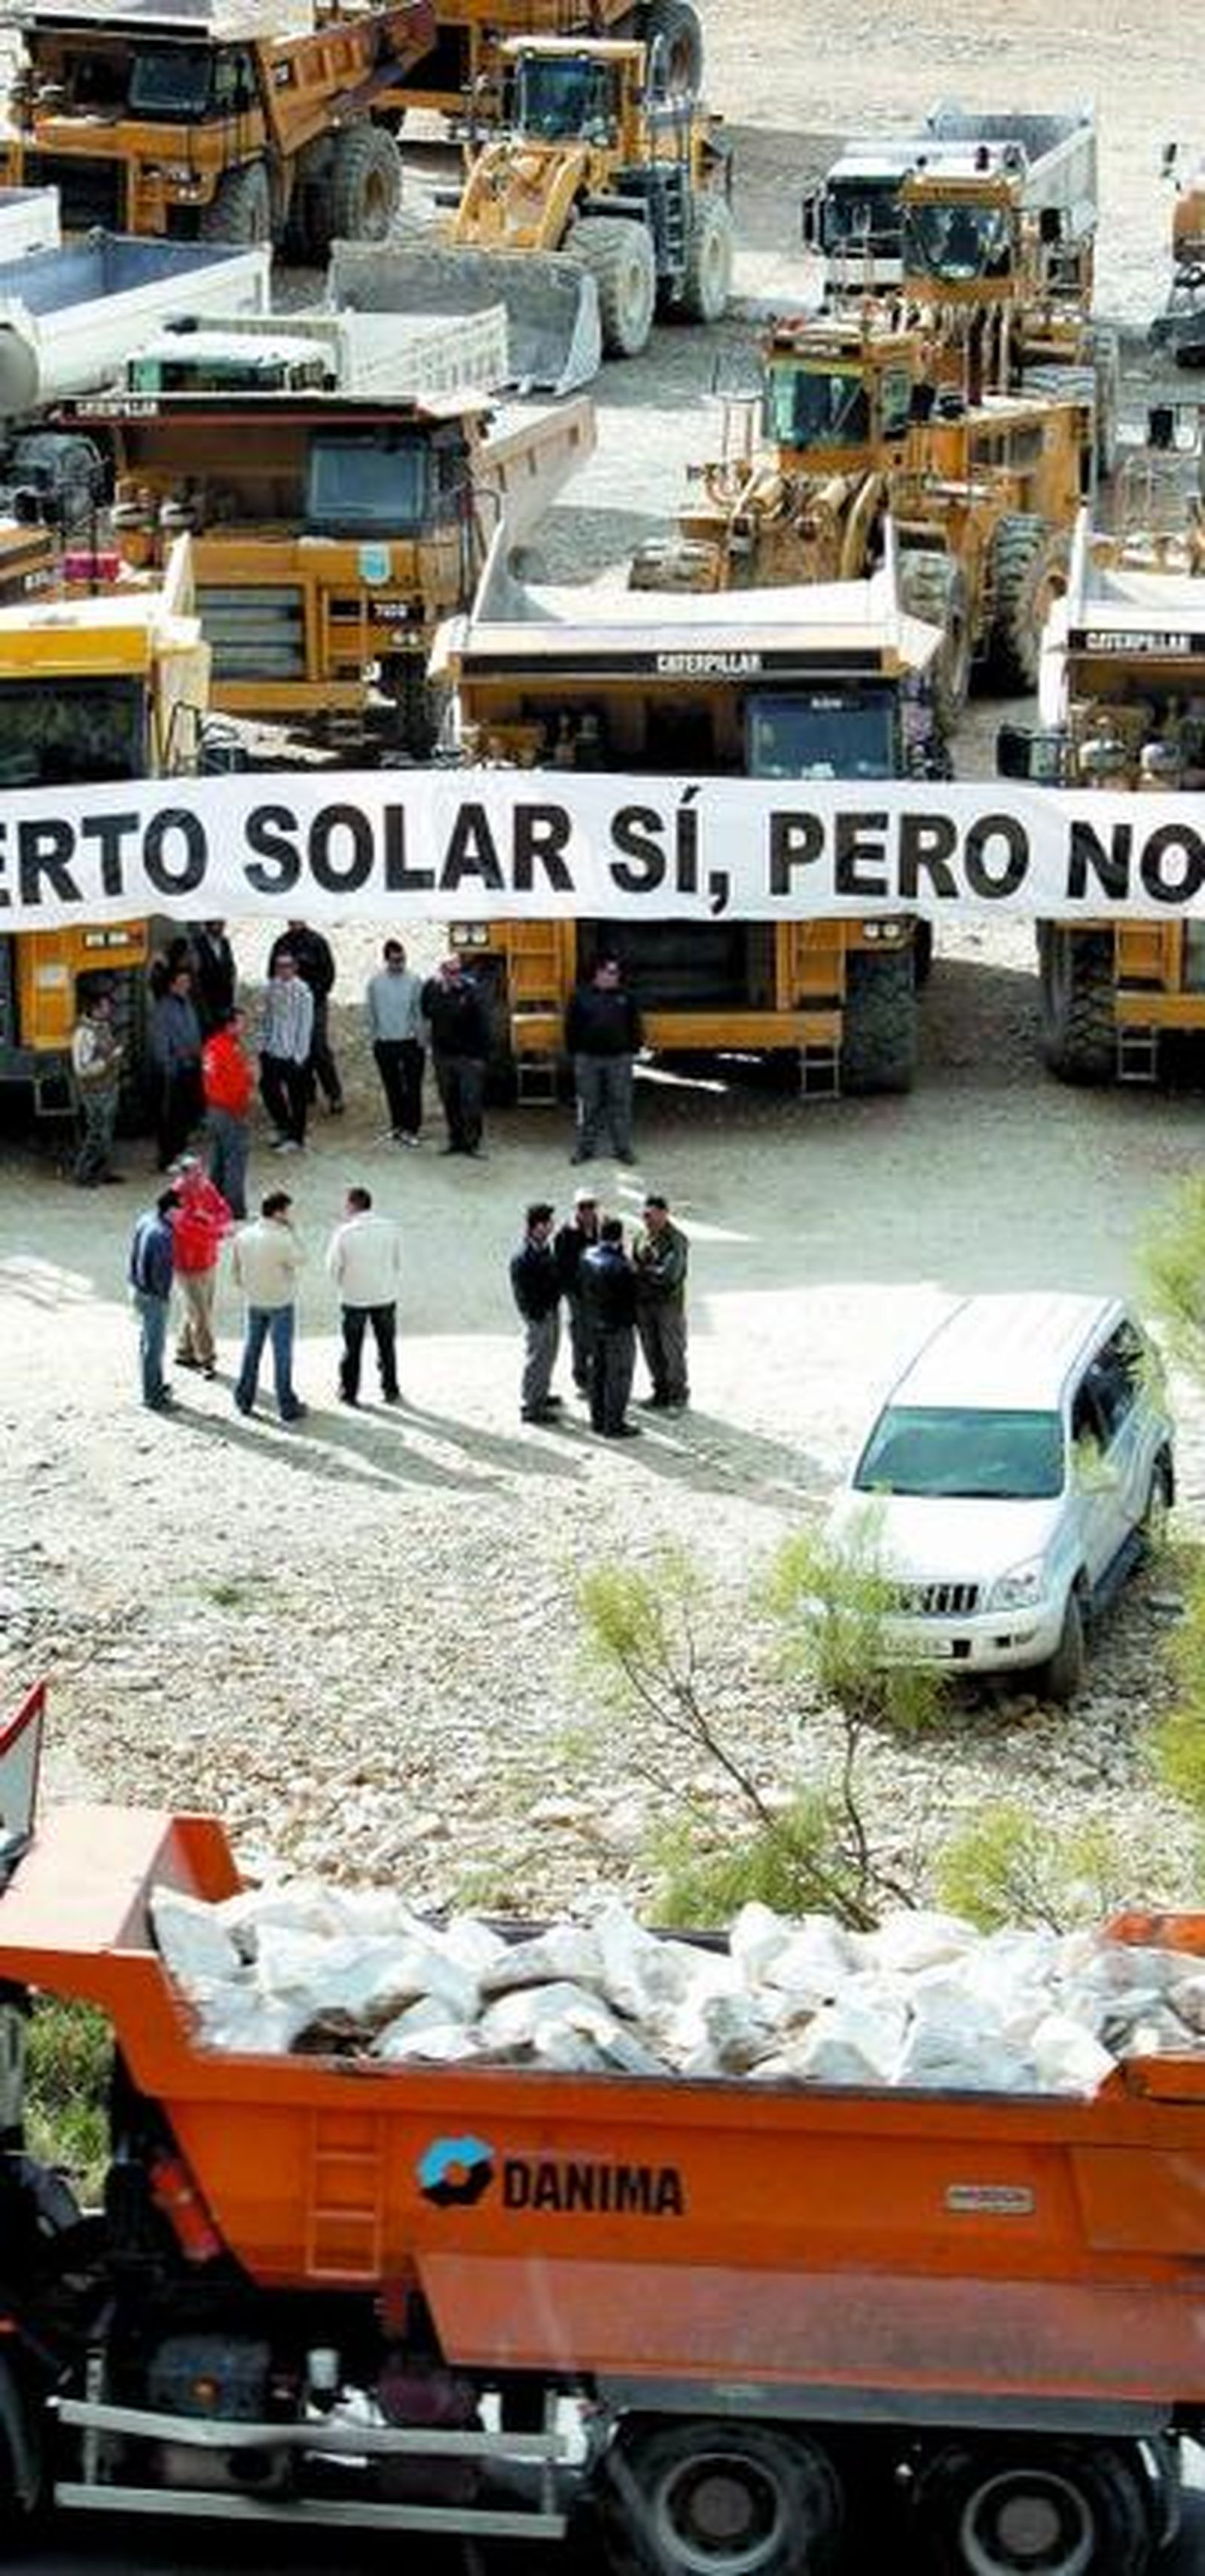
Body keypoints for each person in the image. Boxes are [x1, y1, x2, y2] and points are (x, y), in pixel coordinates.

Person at [231, 1190, 306, 1422]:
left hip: (254, 1301)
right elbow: (303, 1258)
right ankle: (286, 1405)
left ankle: (244, 1399)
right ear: (278, 1212)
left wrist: (250, 1288)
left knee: (251, 1350)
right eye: (287, 1211)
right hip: (280, 1301)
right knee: (282, 1354)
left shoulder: (243, 1236)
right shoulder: (282, 1239)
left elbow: (235, 1273)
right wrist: (294, 1232)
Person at [326, 1185, 402, 1408]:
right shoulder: (391, 1228)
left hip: (354, 1296)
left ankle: (349, 1392)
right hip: (384, 1294)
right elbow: (398, 1261)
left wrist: (343, 1284)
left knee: (353, 1347)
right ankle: (390, 1389)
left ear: (351, 1205)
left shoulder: (344, 1233)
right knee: (386, 1345)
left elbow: (332, 1267)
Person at [564, 955, 643, 1165]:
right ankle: (584, 1149)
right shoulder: (580, 996)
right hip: (588, 1060)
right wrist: (576, 1053)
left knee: (621, 1105)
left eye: (617, 973)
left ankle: (623, 1149)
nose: (615, 977)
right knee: (588, 1106)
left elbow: (635, 1026)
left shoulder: (627, 996)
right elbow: (570, 1028)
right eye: (611, 972)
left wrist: (633, 1050)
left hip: (619, 1060)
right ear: (598, 973)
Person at [268, 920, 343, 1115]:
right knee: (295, 1048)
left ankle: (334, 1094)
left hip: (315, 1002)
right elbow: (272, 974)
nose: (294, 922)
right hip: (290, 1005)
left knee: (318, 1047)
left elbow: (329, 974)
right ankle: (306, 1092)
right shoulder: (281, 943)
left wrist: (314, 994)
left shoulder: (317, 942)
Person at [421, 955, 490, 1158]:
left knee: (471, 1102)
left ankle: (472, 1143)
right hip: (443, 1056)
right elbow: (426, 1012)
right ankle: (455, 1140)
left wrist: (481, 1057)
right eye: (451, 971)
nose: (456, 975)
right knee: (450, 1101)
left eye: (459, 971)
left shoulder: (472, 991)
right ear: (442, 971)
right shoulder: (432, 990)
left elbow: (483, 1024)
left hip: (469, 1057)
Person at [171, 1156, 232, 1380]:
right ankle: (207, 1358)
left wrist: (209, 1220)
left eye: (201, 1172)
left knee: (199, 1309)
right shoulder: (175, 1198)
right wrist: (218, 1230)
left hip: (207, 1259)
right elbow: (188, 1229)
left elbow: (224, 1210)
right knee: (201, 1314)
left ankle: (185, 1351)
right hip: (188, 1264)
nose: (201, 1178)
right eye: (196, 1174)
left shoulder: (206, 1187)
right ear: (184, 1175)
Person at [579, 1214, 639, 1439]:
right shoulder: (622, 1266)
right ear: (619, 1236)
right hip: (617, 1328)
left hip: (594, 1325)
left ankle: (597, 1420)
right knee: (619, 1376)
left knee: (598, 1374)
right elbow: (632, 1298)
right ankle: (614, 1424)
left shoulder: (586, 1255)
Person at [633, 1191, 690, 1411]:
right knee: (651, 1349)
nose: (649, 1220)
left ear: (665, 1214)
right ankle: (660, 1391)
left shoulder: (677, 1240)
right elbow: (633, 1263)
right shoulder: (640, 1236)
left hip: (668, 1305)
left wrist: (641, 1271)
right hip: (645, 1304)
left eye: (654, 1215)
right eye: (646, 1215)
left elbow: (670, 1275)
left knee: (672, 1350)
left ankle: (678, 1395)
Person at [365, 939, 426, 1145]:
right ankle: (397, 1125)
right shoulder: (375, 983)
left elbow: (420, 1013)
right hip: (385, 1043)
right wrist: (374, 1039)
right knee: (392, 1087)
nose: (399, 964)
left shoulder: (415, 981)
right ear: (386, 960)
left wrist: (422, 1041)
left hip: (410, 1042)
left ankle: (412, 1129)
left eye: (402, 959)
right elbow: (371, 1013)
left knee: (413, 1088)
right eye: (395, 960)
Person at [510, 1201, 563, 1425]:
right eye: (547, 1223)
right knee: (538, 1357)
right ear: (536, 1227)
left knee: (549, 1353)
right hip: (539, 1314)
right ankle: (532, 1405)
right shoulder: (524, 1256)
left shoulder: (544, 1248)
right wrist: (537, 1313)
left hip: (550, 1310)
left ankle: (541, 1394)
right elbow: (523, 1293)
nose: (551, 1226)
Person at [148, 963, 203, 1172]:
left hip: (190, 1067)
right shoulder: (163, 1009)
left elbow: (193, 1031)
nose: (185, 986)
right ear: (171, 985)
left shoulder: (187, 1003)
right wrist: (169, 1065)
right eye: (181, 983)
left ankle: (180, 1151)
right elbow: (160, 1042)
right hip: (173, 1071)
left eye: (187, 982)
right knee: (169, 1116)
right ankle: (166, 1158)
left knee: (184, 1114)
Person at [128, 1189, 178, 1413]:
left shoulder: (147, 1219)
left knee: (147, 1342)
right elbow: (161, 1274)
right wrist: (164, 1297)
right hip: (153, 1296)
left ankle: (153, 1385)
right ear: (171, 1210)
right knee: (155, 1346)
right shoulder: (164, 1236)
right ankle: (153, 1396)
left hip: (137, 1288)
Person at [258, 952, 314, 1153]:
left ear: (295, 967)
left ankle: (296, 1137)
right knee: (268, 1089)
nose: (284, 969)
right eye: (280, 966)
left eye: (288, 965)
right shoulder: (271, 988)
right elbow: (266, 1018)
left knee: (297, 1096)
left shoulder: (303, 992)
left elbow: (305, 1026)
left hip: (293, 1053)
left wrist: (300, 1055)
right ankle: (283, 1125)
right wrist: (263, 1046)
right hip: (272, 1050)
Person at [69, 984, 124, 1188]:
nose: (109, 1010)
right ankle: (83, 1174)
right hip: (95, 1091)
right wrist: (109, 1060)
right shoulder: (84, 1034)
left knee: (106, 1132)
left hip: (108, 1087)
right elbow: (82, 1068)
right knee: (96, 1133)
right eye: (105, 1006)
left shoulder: (103, 1027)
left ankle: (102, 1171)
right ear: (95, 1009)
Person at [203, 1006, 253, 1219]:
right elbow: (237, 1086)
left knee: (218, 1160)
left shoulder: (211, 1047)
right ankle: (235, 1209)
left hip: (214, 1109)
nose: (245, 1027)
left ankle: (212, 1204)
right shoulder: (230, 1050)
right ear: (230, 1025)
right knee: (235, 1160)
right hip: (230, 1111)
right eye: (241, 1023)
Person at [554, 1186, 601, 1396]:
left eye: (591, 1206)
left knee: (598, 1336)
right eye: (583, 1207)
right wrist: (574, 1292)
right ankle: (582, 1378)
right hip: (578, 1295)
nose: (588, 1211)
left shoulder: (601, 1228)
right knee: (581, 1336)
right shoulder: (566, 1233)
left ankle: (597, 1376)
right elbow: (562, 1268)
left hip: (598, 1294)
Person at [191, 920, 236, 1036]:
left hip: (225, 1001)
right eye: (218, 924)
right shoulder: (198, 944)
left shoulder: (225, 942)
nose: (221, 927)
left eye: (223, 924)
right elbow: (196, 976)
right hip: (207, 1002)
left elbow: (230, 967)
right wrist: (202, 1007)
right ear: (208, 925)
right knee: (209, 1038)